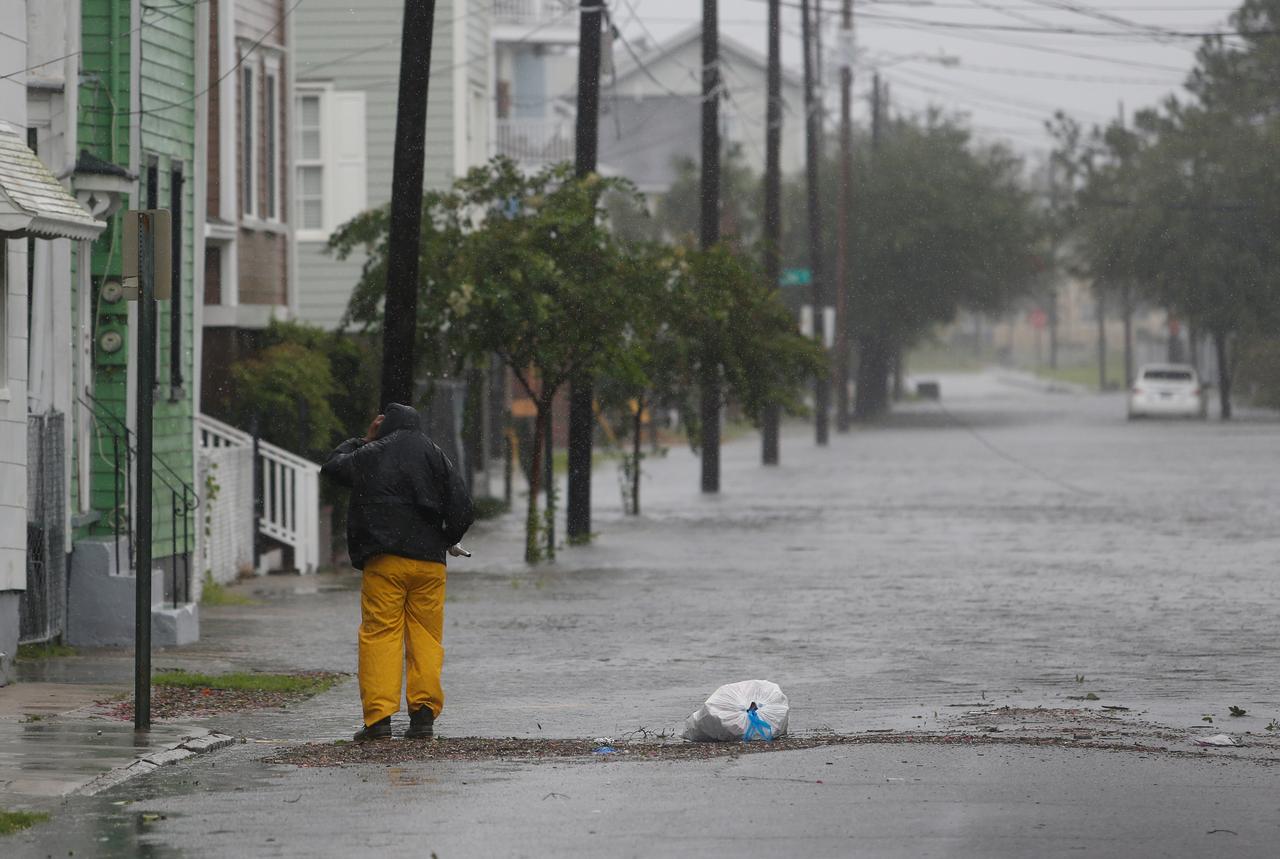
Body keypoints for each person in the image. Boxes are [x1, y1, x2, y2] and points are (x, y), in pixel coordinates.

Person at [321, 403, 475, 741]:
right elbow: (463, 507)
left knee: (381, 634)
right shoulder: (436, 455)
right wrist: (446, 539)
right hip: (430, 564)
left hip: (385, 561)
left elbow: (332, 468)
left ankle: (379, 720)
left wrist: (362, 439)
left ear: (385, 426)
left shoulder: (372, 453)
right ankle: (422, 716)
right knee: (425, 637)